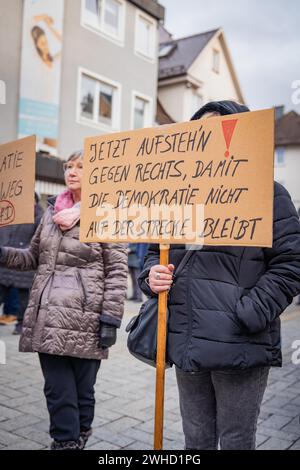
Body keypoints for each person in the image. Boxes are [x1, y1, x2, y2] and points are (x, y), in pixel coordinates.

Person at [138, 101, 300, 450]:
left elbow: (291, 262)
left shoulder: (268, 193)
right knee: (195, 439)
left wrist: (251, 311)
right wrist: (151, 276)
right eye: (199, 132)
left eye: (216, 131)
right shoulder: (178, 194)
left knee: (237, 439)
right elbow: (155, 252)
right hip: (186, 338)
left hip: (238, 341)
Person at [0, 150, 128, 450]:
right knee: (57, 390)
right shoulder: (51, 212)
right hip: (47, 316)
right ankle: (65, 442)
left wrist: (111, 319)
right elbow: (32, 257)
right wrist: (3, 254)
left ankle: (80, 434)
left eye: (80, 167)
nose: (71, 171)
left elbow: (118, 271)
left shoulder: (108, 213)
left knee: (83, 390)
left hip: (87, 317)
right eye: (69, 166)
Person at [0, 193, 43, 334]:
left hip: (24, 265)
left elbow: (38, 241)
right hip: (6, 263)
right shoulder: (11, 213)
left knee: (23, 300)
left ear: (35, 202)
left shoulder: (39, 217)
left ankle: (21, 324)